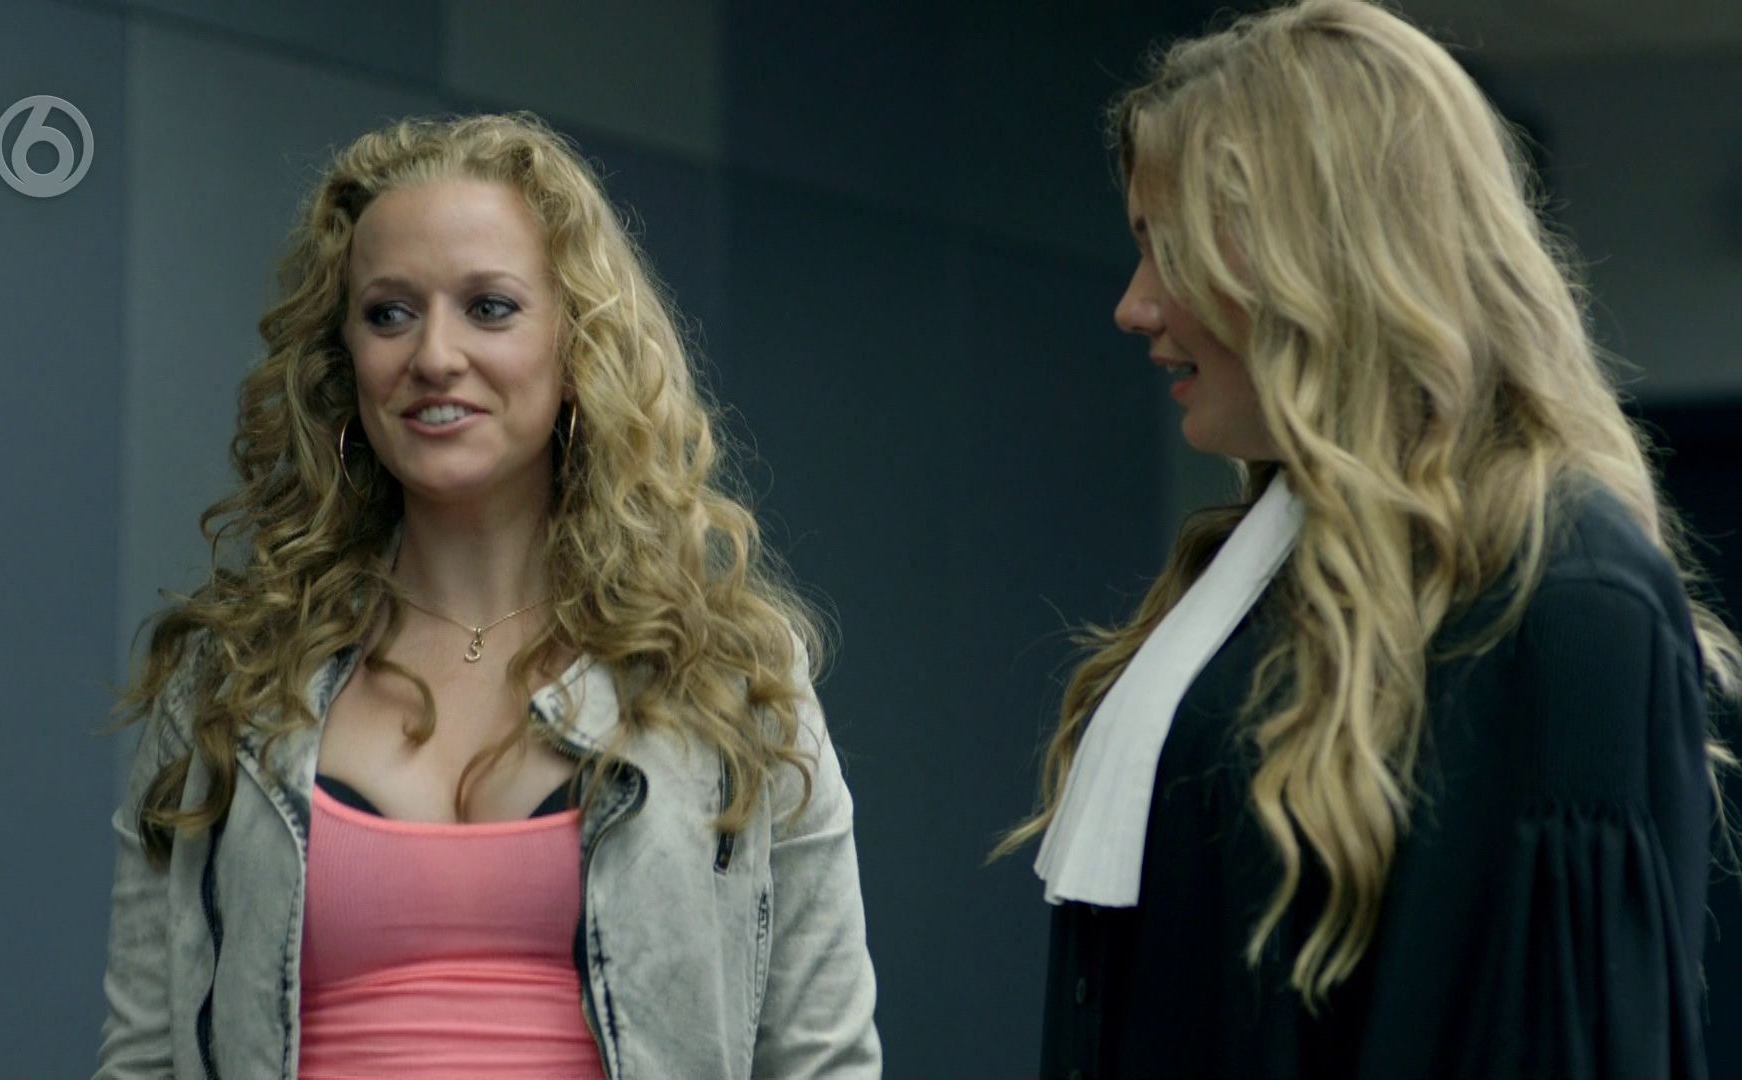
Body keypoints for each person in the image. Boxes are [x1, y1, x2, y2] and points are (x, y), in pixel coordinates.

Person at [1000, 3, 1741, 1077]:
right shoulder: (1258, 572)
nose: (1133, 306)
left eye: (1169, 248)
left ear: (1319, 255)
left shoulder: (1561, 593)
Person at [94, 112, 880, 1080]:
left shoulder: (729, 675)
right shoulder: (228, 679)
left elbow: (823, 1057)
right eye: (389, 313)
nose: (433, 354)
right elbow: (141, 1058)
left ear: (577, 345)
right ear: (343, 361)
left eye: (490, 307)